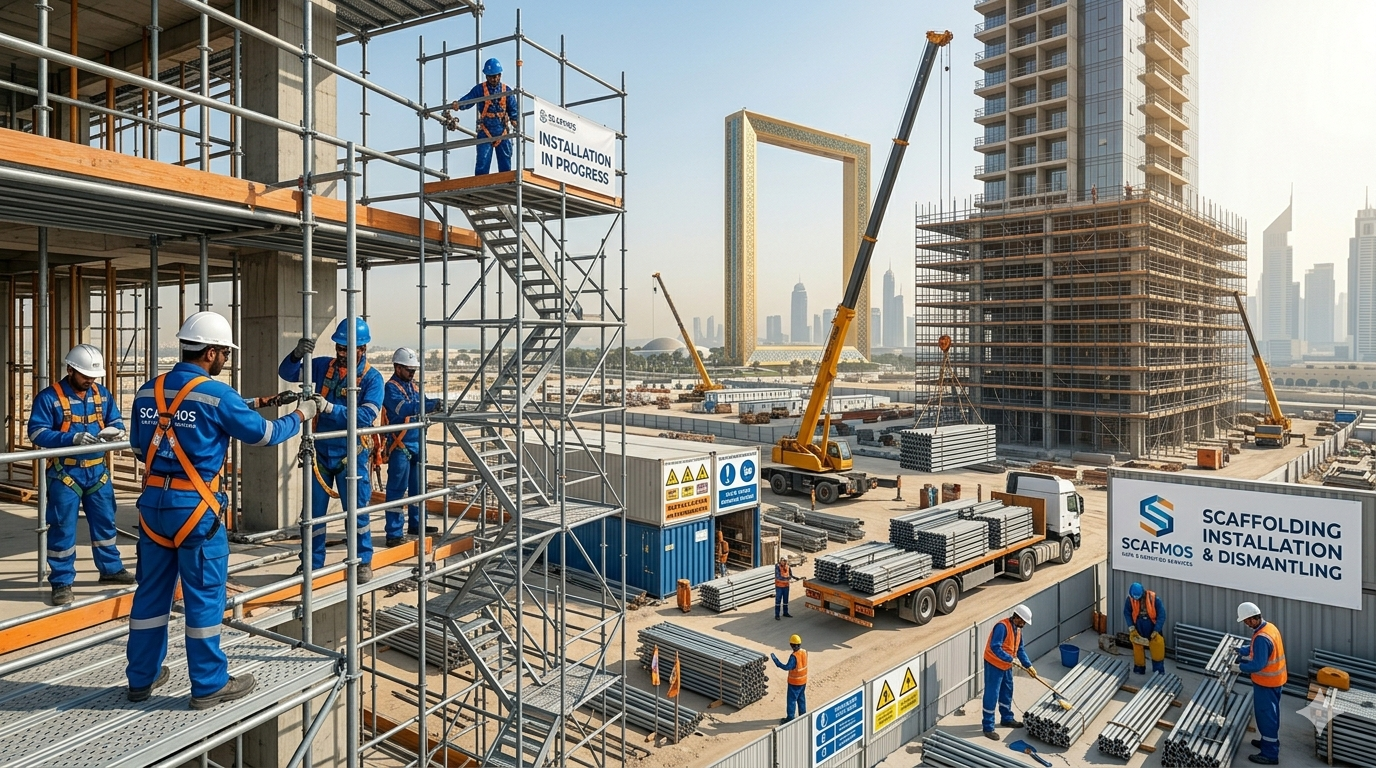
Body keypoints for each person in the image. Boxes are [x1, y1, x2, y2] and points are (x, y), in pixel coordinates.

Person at [126, 312, 322, 708]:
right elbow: (265, 434)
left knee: (150, 595)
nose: (226, 360)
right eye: (224, 354)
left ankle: (141, 678)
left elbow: (139, 443)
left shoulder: (148, 391)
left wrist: (253, 403)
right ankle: (209, 684)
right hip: (196, 511)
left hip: (153, 507)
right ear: (211, 352)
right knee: (203, 597)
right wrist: (303, 414)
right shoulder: (218, 396)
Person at [279, 318, 384, 582]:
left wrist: (329, 408)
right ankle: (311, 564)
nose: (342, 353)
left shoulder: (373, 379)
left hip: (352, 455)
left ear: (362, 349)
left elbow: (365, 416)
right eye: (339, 348)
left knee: (357, 513)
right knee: (313, 516)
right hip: (321, 455)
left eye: (347, 349)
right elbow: (288, 374)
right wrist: (295, 355)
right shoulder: (323, 366)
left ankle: (362, 561)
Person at [29, 344, 132, 605]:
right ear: (70, 370)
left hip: (98, 472)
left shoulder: (102, 394)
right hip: (66, 473)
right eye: (85, 375)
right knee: (63, 527)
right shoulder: (49, 398)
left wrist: (115, 431)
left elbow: (117, 421)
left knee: (106, 523)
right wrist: (70, 438)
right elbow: (36, 433)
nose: (90, 380)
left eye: (93, 376)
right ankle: (62, 582)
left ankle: (110, 569)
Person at [381, 347, 440, 547]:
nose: (412, 373)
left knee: (419, 488)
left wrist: (436, 404)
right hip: (401, 445)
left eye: (414, 370)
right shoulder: (390, 388)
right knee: (397, 489)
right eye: (409, 370)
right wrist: (429, 406)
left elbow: (422, 403)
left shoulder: (413, 387)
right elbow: (402, 409)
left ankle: (417, 524)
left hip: (417, 442)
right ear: (397, 368)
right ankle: (394, 533)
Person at [1231, 602, 1285, 765]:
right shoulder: (1268, 628)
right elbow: (1258, 649)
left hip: (1266, 683)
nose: (1246, 625)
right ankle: (1269, 742)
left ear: (1253, 619)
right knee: (1272, 715)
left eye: (1247, 621)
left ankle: (1269, 754)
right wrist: (1242, 650)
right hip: (1276, 681)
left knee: (1266, 716)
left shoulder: (1261, 637)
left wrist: (1239, 667)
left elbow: (1257, 664)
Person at [454, 58, 519, 176]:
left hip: (502, 131)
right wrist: (459, 104)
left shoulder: (506, 90)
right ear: (486, 76)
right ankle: (480, 185)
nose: (495, 79)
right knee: (482, 162)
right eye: (492, 76)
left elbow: (513, 107)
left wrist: (515, 119)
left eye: (497, 76)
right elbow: (470, 99)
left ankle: (506, 184)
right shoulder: (480, 89)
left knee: (505, 163)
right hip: (486, 130)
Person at [982, 604, 1035, 740]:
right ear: (1016, 617)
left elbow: (1020, 649)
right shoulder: (1002, 627)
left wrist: (1028, 665)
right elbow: (995, 647)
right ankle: (988, 727)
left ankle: (1006, 718)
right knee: (992, 694)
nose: (1023, 624)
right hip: (994, 664)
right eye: (1022, 621)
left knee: (1007, 690)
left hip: (1006, 665)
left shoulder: (1018, 630)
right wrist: (1010, 658)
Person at [1124, 582, 1166, 675]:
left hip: (1152, 627)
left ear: (1143, 593)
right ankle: (1139, 668)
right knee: (1137, 646)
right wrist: (1131, 627)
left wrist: (1156, 630)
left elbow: (1162, 615)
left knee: (1157, 647)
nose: (1136, 600)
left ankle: (1158, 670)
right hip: (1138, 627)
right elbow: (1127, 613)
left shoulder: (1154, 599)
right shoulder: (1130, 600)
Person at [770, 634, 807, 723]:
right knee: (801, 698)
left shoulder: (794, 656)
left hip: (794, 682)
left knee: (791, 700)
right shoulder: (804, 652)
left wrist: (777, 662)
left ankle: (790, 718)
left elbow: (788, 667)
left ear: (791, 645)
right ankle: (803, 715)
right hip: (803, 681)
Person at [774, 556, 799, 620]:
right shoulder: (777, 567)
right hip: (779, 587)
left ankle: (785, 612)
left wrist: (795, 578)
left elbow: (790, 575)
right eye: (782, 560)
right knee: (778, 601)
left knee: (785, 600)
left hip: (786, 587)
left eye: (784, 561)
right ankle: (777, 615)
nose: (783, 562)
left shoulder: (788, 567)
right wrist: (787, 579)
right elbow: (778, 576)